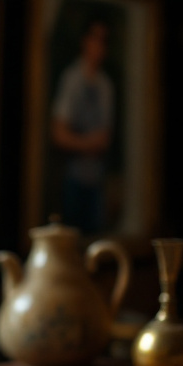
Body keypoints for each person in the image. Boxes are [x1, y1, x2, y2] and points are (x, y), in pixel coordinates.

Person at [50, 17, 114, 234]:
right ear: (84, 41)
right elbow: (59, 134)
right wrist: (88, 143)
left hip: (97, 179)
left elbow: (105, 137)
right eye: (95, 38)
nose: (99, 46)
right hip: (73, 178)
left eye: (104, 40)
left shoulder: (105, 85)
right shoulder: (72, 79)